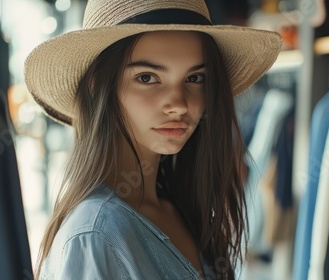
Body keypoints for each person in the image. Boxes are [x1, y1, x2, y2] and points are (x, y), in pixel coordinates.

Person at [24, 0, 281, 279]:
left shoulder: (180, 209)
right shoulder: (95, 235)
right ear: (98, 86)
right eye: (147, 77)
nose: (179, 104)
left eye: (195, 78)